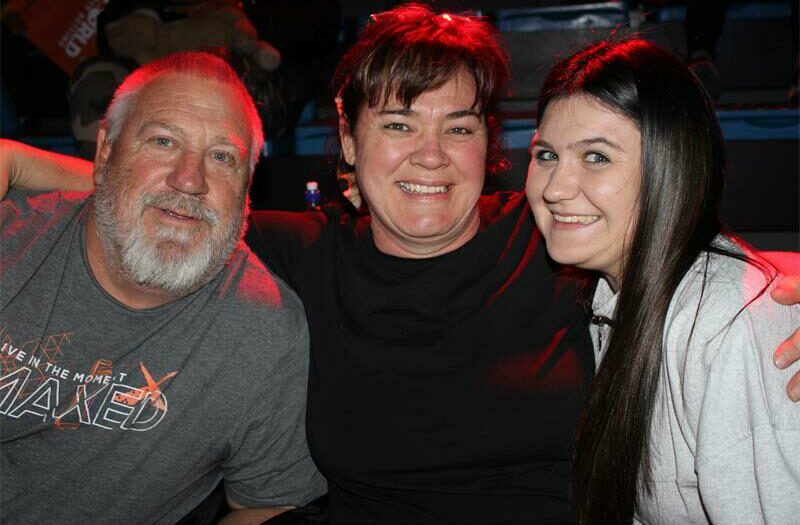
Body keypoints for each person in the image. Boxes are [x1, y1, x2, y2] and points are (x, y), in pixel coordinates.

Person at [2, 5, 800, 524]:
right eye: (396, 124)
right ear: (347, 143)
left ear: (490, 146)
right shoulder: (295, 253)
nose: (430, 156)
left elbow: (686, 251)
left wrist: (778, 297)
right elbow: (185, 194)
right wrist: (79, 167)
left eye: (457, 127)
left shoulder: (559, 235)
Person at [0, 52, 325, 525]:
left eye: (222, 157)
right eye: (163, 140)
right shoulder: (12, 240)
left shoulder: (266, 330)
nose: (190, 179)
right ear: (106, 151)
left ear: (248, 184)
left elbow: (269, 501)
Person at [526, 39, 800, 524]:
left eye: (597, 157)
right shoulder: (611, 291)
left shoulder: (724, 323)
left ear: (669, 166)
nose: (554, 188)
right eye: (546, 155)